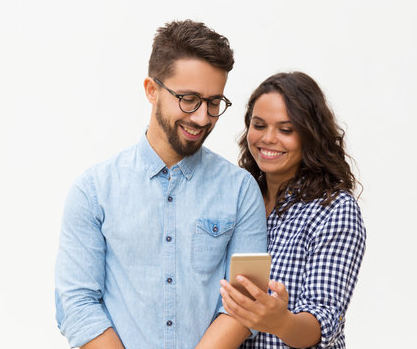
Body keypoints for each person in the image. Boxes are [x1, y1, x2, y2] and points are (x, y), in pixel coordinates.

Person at [54, 20, 268, 349]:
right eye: (189, 99)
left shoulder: (241, 191)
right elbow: (78, 305)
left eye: (214, 102)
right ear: (152, 90)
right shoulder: (93, 191)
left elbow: (242, 305)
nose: (202, 117)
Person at [219, 72, 366, 348]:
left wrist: (281, 322)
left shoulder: (333, 209)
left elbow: (323, 319)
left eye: (286, 130)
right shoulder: (238, 197)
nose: (268, 138)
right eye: (259, 125)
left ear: (311, 135)